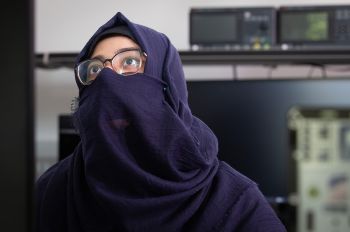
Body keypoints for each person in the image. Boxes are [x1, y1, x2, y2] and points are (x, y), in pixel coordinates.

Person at [36, 12, 286, 231]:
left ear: (169, 84)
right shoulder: (54, 191)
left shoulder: (234, 202)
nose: (108, 81)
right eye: (94, 69)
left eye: (130, 62)